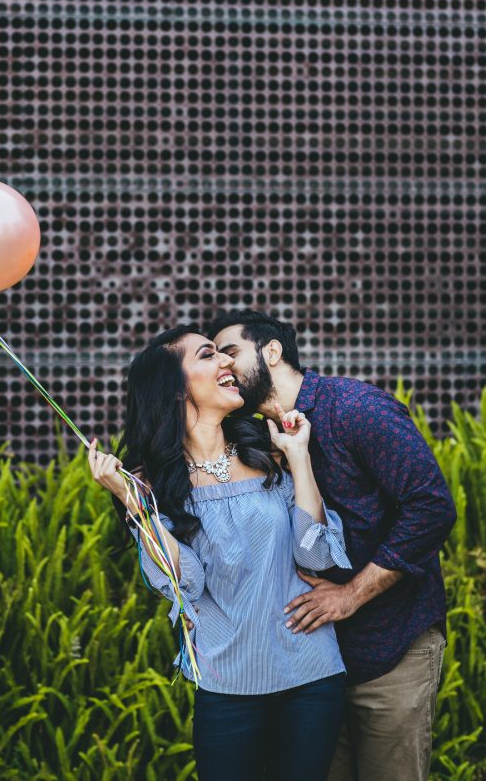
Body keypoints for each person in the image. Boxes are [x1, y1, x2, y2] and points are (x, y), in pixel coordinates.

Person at [89, 323, 354, 781]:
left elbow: (314, 557)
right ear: (174, 389)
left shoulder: (265, 450)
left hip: (311, 675)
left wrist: (298, 455)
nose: (228, 362)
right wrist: (138, 507)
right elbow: (184, 581)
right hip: (227, 685)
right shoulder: (149, 483)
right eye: (209, 355)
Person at [207, 309, 458, 781]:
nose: (223, 365)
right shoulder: (247, 440)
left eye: (231, 352)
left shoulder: (356, 408)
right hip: (309, 669)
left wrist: (350, 594)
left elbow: (431, 507)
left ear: (272, 352)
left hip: (391, 646)